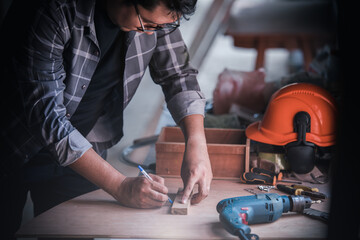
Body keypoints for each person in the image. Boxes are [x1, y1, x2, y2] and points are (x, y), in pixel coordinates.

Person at [0, 0, 213, 238]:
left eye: (163, 26)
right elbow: (47, 118)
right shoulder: (53, 10)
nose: (153, 32)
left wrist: (197, 145)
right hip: (12, 145)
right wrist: (120, 186)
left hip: (83, 153)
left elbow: (179, 75)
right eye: (148, 24)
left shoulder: (157, 17)